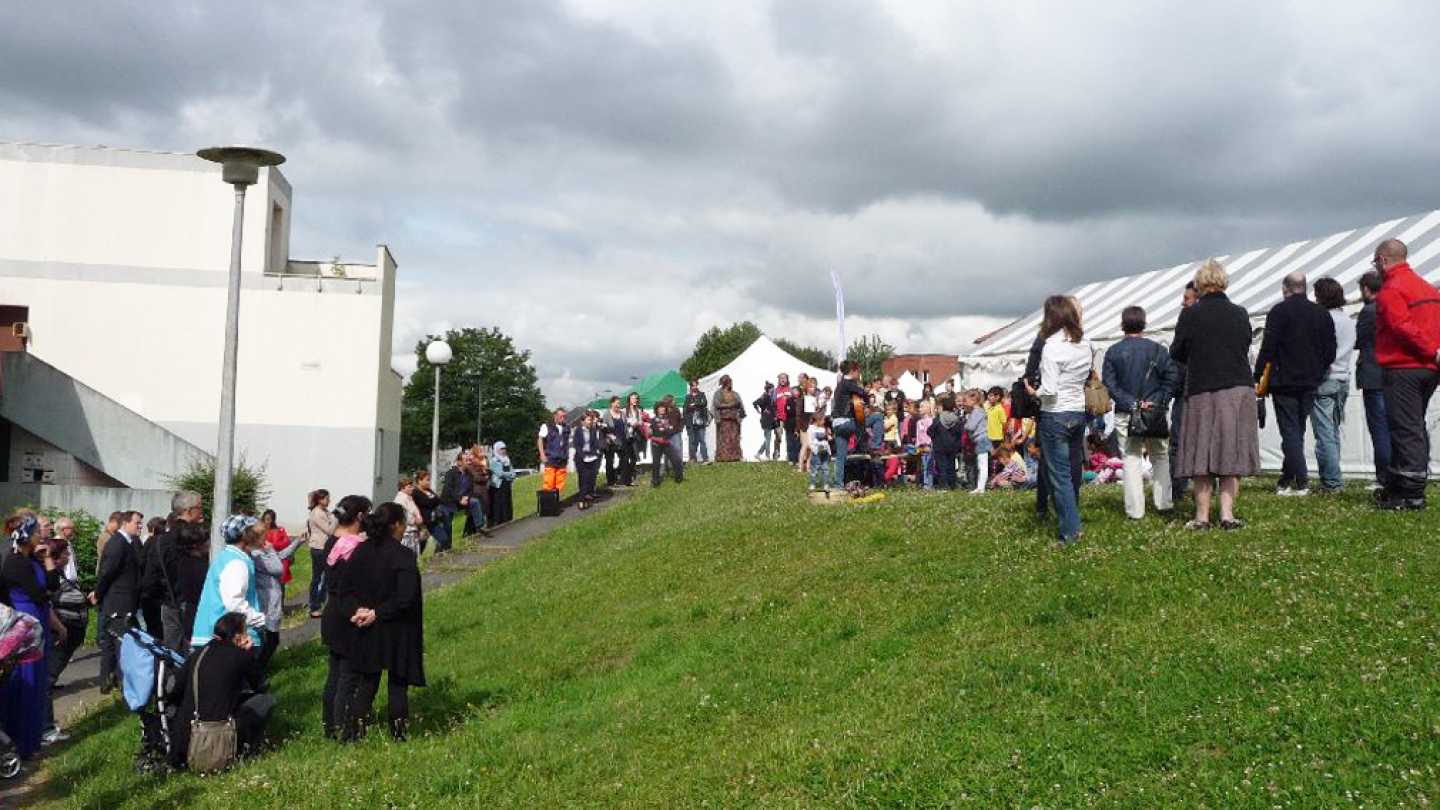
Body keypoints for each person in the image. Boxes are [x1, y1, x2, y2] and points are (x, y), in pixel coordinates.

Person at [1171, 259, 1260, 530]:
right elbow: (1245, 343)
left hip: (1203, 389)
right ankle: (1227, 515)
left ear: (1199, 285)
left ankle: (1201, 518)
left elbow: (1176, 351)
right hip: (1238, 388)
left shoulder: (1190, 315)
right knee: (1230, 452)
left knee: (1202, 454)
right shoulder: (1240, 313)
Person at [344, 503, 426, 741]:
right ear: (396, 525)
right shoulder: (403, 555)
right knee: (398, 683)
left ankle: (354, 735)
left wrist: (358, 610)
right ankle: (399, 735)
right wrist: (378, 612)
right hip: (397, 627)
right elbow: (406, 597)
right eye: (403, 524)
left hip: (367, 626)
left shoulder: (361, 551)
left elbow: (345, 588)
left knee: (367, 683)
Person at [1254, 271, 1337, 496]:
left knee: (1290, 431)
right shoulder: (1321, 313)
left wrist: (1257, 374)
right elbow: (1331, 350)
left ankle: (1301, 480)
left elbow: (1268, 347)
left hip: (1284, 380)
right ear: (1305, 287)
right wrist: (1319, 370)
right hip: (1311, 380)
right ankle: (1286, 477)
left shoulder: (1279, 312)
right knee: (1297, 429)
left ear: (1285, 289)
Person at [1371, 238, 1440, 510]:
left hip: (1404, 367)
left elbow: (1402, 327)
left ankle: (1410, 493)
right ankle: (1398, 485)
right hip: (1429, 368)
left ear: (1383, 260)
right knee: (1414, 425)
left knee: (1405, 429)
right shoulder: (1427, 288)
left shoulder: (1391, 289)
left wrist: (1430, 350)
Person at [1025, 296, 1093, 545]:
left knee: (1060, 475)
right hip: (1077, 411)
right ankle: (1072, 518)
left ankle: (1071, 530)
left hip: (1055, 413)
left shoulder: (1051, 346)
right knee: (1072, 471)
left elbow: (1050, 389)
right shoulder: (1085, 343)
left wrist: (1035, 392)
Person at [1102, 305, 1179, 519]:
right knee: (1160, 455)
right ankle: (1164, 503)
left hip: (1127, 411)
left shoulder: (1113, 351)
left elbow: (1110, 383)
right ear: (1144, 324)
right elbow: (1172, 378)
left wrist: (1133, 402)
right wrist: (1157, 401)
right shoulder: (1158, 349)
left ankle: (1135, 511)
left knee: (1131, 458)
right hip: (1154, 411)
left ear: (1122, 325)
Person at [168, 612, 273, 769]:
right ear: (238, 636)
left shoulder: (198, 654)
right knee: (266, 701)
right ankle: (249, 747)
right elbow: (261, 685)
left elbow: (175, 690)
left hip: (186, 739)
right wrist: (249, 653)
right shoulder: (240, 655)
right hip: (218, 739)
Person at [1, 516, 64, 759]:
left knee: (37, 682)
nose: (42, 535)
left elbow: (52, 584)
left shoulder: (31, 559)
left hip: (37, 622)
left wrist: (47, 557)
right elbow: (41, 593)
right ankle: (20, 742)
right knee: (23, 684)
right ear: (27, 536)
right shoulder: (16, 563)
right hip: (24, 628)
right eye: (38, 532)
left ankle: (32, 738)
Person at [320, 495, 371, 739]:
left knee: (334, 674)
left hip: (331, 611)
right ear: (360, 516)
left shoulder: (331, 541)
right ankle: (345, 729)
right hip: (348, 612)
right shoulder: (355, 547)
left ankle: (330, 726)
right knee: (348, 677)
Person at [189, 515, 266, 652]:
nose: (262, 537)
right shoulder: (237, 563)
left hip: (213, 635)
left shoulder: (227, 557)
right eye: (257, 533)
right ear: (246, 537)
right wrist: (259, 620)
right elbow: (234, 603)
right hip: (227, 639)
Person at [1309, 278, 1356, 494]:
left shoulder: (1324, 319)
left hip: (1325, 378)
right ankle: (1334, 477)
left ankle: (1331, 481)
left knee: (1324, 433)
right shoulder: (1348, 320)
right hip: (1343, 377)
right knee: (1334, 430)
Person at [142, 490, 206, 651]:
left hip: (169, 603)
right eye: (199, 507)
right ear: (189, 511)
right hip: (196, 604)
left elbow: (150, 580)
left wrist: (163, 598)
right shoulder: (198, 539)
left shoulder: (158, 542)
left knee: (172, 653)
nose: (202, 512)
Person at [94, 509, 143, 692]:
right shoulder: (118, 544)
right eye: (136, 523)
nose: (140, 526)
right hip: (117, 601)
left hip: (125, 600)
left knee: (115, 642)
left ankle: (110, 681)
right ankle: (116, 682)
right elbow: (106, 573)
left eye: (140, 523)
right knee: (117, 642)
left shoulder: (131, 542)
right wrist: (98, 593)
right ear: (125, 523)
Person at [1354, 270, 1390, 489]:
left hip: (1373, 374)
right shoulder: (1388, 306)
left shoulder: (1369, 311)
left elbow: (1360, 340)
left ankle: (1384, 476)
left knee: (1379, 428)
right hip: (1389, 373)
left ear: (1366, 289)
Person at [250, 521, 301, 671]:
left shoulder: (263, 552)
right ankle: (257, 670)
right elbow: (278, 568)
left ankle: (259, 668)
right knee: (269, 639)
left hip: (271, 600)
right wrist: (271, 551)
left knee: (271, 638)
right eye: (264, 536)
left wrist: (297, 542)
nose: (267, 539)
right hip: (266, 601)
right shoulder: (256, 555)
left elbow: (281, 556)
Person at [1169, 282, 1200, 499]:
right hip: (1206, 387)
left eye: (1187, 298)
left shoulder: (1187, 318)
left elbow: (1176, 351)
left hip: (1188, 387)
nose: (1183, 302)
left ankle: (1178, 487)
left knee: (1179, 439)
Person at [830, 361, 868, 489]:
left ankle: (838, 485)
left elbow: (851, 400)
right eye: (858, 371)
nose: (859, 374)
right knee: (875, 419)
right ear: (853, 371)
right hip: (847, 422)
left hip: (836, 424)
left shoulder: (839, 385)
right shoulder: (849, 383)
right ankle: (870, 447)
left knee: (841, 457)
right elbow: (864, 394)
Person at [304, 489, 338, 617]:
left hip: (325, 547)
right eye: (326, 498)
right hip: (319, 548)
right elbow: (329, 530)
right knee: (318, 578)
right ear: (319, 500)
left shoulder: (325, 511)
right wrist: (335, 518)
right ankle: (314, 606)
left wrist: (334, 515)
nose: (329, 501)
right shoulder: (317, 513)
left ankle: (321, 603)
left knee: (326, 577)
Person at [962, 390, 993, 493]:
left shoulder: (977, 412)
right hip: (979, 440)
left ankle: (981, 488)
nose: (963, 403)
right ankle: (980, 487)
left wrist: (965, 423)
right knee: (981, 464)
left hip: (982, 440)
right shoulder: (977, 411)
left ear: (973, 400)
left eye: (965, 400)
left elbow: (970, 426)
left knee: (982, 465)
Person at [572, 410, 605, 508]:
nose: (590, 422)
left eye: (591, 420)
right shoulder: (578, 431)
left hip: (592, 457)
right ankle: (581, 500)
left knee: (590, 478)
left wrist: (596, 452)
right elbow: (576, 445)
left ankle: (586, 496)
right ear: (583, 421)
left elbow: (595, 443)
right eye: (588, 420)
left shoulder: (593, 430)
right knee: (584, 478)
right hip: (581, 458)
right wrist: (583, 456)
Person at [435, 456, 467, 555]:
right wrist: (459, 499)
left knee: (449, 526)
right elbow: (448, 489)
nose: (468, 462)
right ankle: (441, 550)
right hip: (446, 503)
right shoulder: (451, 472)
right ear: (459, 462)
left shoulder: (465, 474)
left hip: (453, 504)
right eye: (465, 460)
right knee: (446, 526)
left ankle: (447, 549)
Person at [649, 401, 684, 487]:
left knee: (676, 459)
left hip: (666, 442)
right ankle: (655, 481)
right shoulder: (652, 420)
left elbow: (671, 430)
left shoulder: (668, 420)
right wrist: (652, 430)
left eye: (663, 408)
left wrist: (669, 428)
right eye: (660, 408)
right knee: (656, 462)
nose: (662, 409)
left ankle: (679, 479)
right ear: (657, 410)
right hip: (656, 444)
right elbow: (650, 432)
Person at [712, 376, 745, 463]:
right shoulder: (718, 393)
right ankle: (723, 457)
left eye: (731, 382)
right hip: (723, 420)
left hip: (734, 419)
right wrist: (729, 405)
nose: (730, 384)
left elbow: (740, 404)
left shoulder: (735, 394)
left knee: (734, 438)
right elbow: (716, 404)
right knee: (724, 439)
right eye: (728, 382)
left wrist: (739, 411)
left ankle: (735, 456)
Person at [538, 408, 571, 493]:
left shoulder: (567, 427)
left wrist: (567, 456)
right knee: (549, 482)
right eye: (561, 416)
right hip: (551, 458)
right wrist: (542, 454)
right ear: (555, 416)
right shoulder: (546, 426)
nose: (563, 418)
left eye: (564, 416)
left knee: (560, 484)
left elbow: (567, 442)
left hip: (562, 458)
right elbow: (540, 440)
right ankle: (547, 503)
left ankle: (556, 501)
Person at [601, 397, 632, 486]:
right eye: (617, 403)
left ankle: (624, 480)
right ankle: (610, 481)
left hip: (622, 439)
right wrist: (609, 436)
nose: (618, 405)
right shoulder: (607, 414)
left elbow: (625, 426)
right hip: (611, 441)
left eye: (619, 403)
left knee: (625, 460)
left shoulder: (622, 414)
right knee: (610, 461)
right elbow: (604, 428)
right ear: (612, 403)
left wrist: (628, 435)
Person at [258, 510, 294, 586]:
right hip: (265, 562)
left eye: (268, 519)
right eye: (265, 519)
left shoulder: (279, 530)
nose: (266, 522)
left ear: (273, 520)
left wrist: (271, 546)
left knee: (280, 585)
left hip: (279, 560)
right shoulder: (261, 531)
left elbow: (285, 543)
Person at [412, 470, 440, 552]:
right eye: (427, 480)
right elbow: (425, 502)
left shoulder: (429, 490)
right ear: (420, 481)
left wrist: (431, 500)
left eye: (429, 480)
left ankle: (436, 559)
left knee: (443, 540)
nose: (429, 482)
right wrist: (432, 500)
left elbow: (438, 500)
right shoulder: (415, 492)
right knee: (422, 544)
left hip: (433, 521)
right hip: (423, 523)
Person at [683, 380, 711, 464]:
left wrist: (695, 405)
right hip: (691, 422)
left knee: (702, 440)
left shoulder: (702, 394)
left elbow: (704, 403)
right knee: (692, 441)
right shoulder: (687, 397)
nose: (695, 387)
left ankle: (705, 458)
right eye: (693, 386)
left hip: (701, 421)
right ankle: (692, 458)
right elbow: (685, 409)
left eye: (696, 385)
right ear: (691, 387)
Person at [488, 445, 517, 524]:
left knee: (507, 503)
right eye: (501, 449)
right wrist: (510, 474)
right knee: (499, 504)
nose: (504, 451)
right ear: (497, 450)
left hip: (506, 485)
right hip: (497, 487)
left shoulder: (507, 460)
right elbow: (499, 473)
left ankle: (508, 519)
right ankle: (498, 521)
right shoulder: (493, 461)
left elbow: (513, 472)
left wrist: (511, 474)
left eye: (504, 449)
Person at [806, 415, 834, 492]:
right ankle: (813, 484)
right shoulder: (811, 428)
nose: (824, 422)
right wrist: (814, 449)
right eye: (822, 420)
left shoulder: (825, 428)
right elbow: (810, 442)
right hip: (816, 452)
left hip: (825, 451)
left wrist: (829, 434)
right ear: (817, 420)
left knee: (826, 468)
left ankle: (826, 484)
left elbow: (830, 439)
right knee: (815, 468)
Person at [753, 382, 778, 460]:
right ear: (769, 389)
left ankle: (758, 453)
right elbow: (755, 403)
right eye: (772, 389)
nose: (774, 390)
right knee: (768, 438)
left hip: (771, 420)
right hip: (766, 420)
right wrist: (760, 411)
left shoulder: (771, 398)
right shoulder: (765, 396)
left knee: (768, 438)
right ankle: (767, 455)